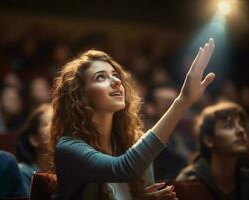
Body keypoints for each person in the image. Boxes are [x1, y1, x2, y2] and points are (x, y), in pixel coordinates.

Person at [49, 38, 215, 200]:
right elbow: (124, 168)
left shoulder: (131, 142)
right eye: (101, 77)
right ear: (80, 95)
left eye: (115, 75)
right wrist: (182, 101)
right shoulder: (68, 147)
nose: (115, 81)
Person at [176, 101, 249, 200]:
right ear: (209, 140)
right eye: (228, 126)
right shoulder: (188, 184)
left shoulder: (247, 179)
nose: (241, 130)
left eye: (241, 124)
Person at [16, 103, 53, 195]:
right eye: (47, 124)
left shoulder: (69, 172)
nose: (57, 128)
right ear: (34, 140)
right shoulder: (23, 172)